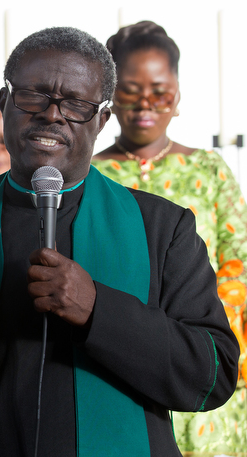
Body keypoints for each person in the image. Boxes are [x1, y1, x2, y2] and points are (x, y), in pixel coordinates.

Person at [0, 27, 239, 457]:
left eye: (76, 103)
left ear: (102, 121)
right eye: (33, 95)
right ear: (5, 103)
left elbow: (211, 378)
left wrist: (97, 309)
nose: (53, 115)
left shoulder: (162, 228)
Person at [91, 20, 247, 454]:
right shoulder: (91, 175)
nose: (146, 104)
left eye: (160, 92)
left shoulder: (210, 169)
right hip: (118, 367)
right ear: (109, 97)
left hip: (204, 367)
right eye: (129, 90)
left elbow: (240, 263)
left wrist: (219, 356)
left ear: (177, 97)